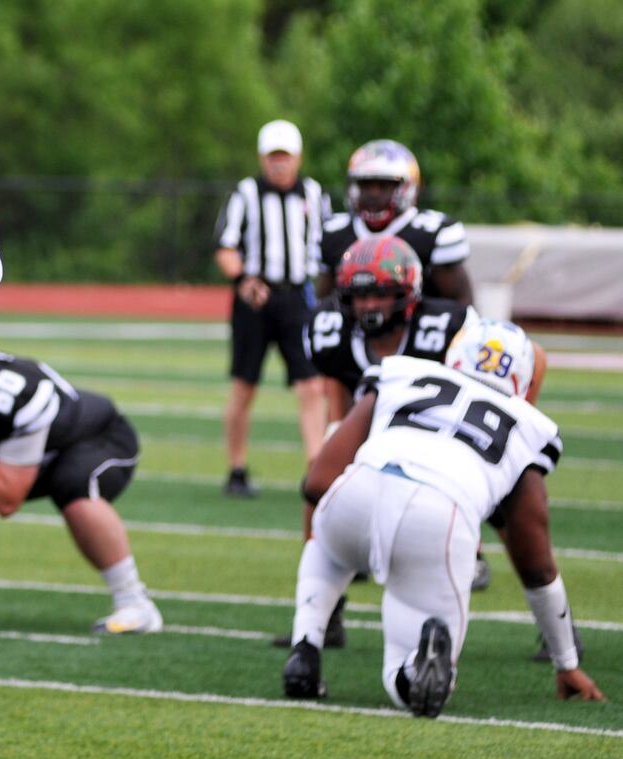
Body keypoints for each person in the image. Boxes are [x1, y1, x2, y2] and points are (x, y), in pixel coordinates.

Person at [284, 318, 601, 716]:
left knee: (327, 542)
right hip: (439, 514)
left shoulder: (403, 372)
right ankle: (414, 671)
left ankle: (306, 645)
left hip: (363, 485)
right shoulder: (529, 425)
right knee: (413, 682)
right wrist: (566, 661)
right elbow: (536, 565)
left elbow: (317, 482)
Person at [282, 234, 476, 649]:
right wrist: (335, 436)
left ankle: (551, 625)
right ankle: (325, 614)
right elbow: (337, 380)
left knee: (518, 506)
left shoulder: (448, 327)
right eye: (360, 295)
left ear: (407, 295)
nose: (369, 306)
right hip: (370, 424)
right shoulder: (329, 331)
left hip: (440, 436)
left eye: (381, 295)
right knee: (316, 482)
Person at [0, 315, 161, 634]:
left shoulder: (17, 391)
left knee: (73, 485)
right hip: (15, 458)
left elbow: (6, 500)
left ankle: (136, 603)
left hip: (94, 441)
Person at [213, 119, 329, 498]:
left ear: (297, 158)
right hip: (255, 298)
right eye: (273, 157)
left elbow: (327, 246)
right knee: (244, 385)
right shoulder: (245, 194)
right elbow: (225, 247)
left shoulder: (314, 193)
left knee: (311, 385)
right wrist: (244, 280)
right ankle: (237, 468)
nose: (279, 164)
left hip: (298, 296)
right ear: (263, 159)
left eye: (285, 157)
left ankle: (315, 467)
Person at [316, 140, 473, 307]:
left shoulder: (434, 234)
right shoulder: (334, 233)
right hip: (355, 330)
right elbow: (324, 305)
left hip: (417, 329)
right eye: (366, 185)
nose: (373, 194)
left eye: (384, 186)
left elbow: (459, 305)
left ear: (408, 187)